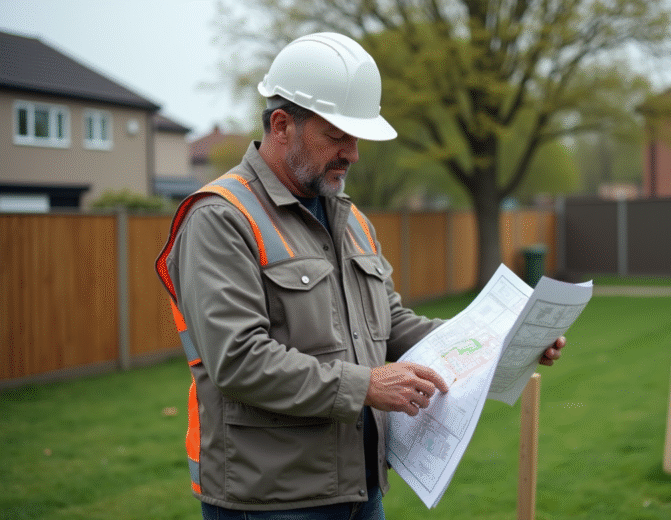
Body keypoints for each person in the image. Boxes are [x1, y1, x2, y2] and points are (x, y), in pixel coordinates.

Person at [156, 32, 566, 519]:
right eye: (338, 136)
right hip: (272, 502)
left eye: (356, 139)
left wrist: (503, 342)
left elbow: (390, 325)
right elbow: (238, 359)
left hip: (360, 491)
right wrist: (366, 385)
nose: (353, 153)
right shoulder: (220, 218)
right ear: (282, 125)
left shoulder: (350, 220)